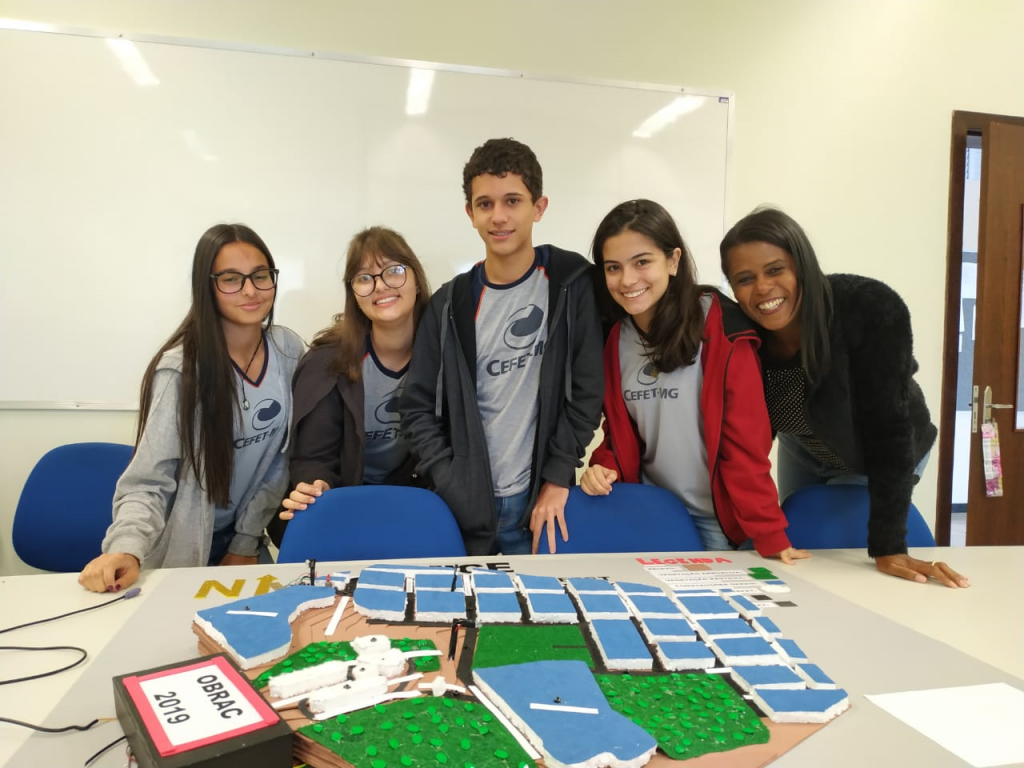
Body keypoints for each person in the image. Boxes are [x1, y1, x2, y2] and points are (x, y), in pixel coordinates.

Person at [720, 206, 969, 587]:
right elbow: (742, 439)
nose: (763, 289)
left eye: (775, 270)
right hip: (802, 444)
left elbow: (889, 429)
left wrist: (889, 545)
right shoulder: (740, 333)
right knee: (802, 549)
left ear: (803, 265)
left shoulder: (868, 306)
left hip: (877, 450)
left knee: (847, 560)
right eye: (744, 278)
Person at [401, 137, 604, 555]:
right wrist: (451, 480)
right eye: (485, 204)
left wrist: (557, 476)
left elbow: (586, 392)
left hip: (542, 505)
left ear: (539, 207)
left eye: (512, 201)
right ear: (470, 214)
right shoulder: (449, 304)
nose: (499, 217)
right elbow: (417, 406)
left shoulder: (570, 284)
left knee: (538, 619)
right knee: (461, 619)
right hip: (463, 510)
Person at [79, 224, 304, 593]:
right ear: (207, 286)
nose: (250, 290)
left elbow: (280, 460)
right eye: (231, 279)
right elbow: (149, 480)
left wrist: (245, 542)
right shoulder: (180, 371)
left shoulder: (288, 350)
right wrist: (126, 548)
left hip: (245, 542)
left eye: (260, 276)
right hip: (180, 550)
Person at [580, 200, 806, 562]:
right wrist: (604, 464)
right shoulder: (614, 338)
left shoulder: (721, 325)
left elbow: (745, 442)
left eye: (642, 262)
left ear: (673, 260)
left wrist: (769, 533)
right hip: (655, 516)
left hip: (721, 523)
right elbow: (626, 431)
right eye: (613, 267)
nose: (627, 280)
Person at [270, 227, 431, 545]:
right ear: (353, 294)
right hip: (345, 510)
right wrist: (315, 485)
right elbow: (312, 457)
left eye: (394, 270)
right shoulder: (328, 362)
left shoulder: (444, 355)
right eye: (364, 277)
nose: (381, 285)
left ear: (416, 279)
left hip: (414, 510)